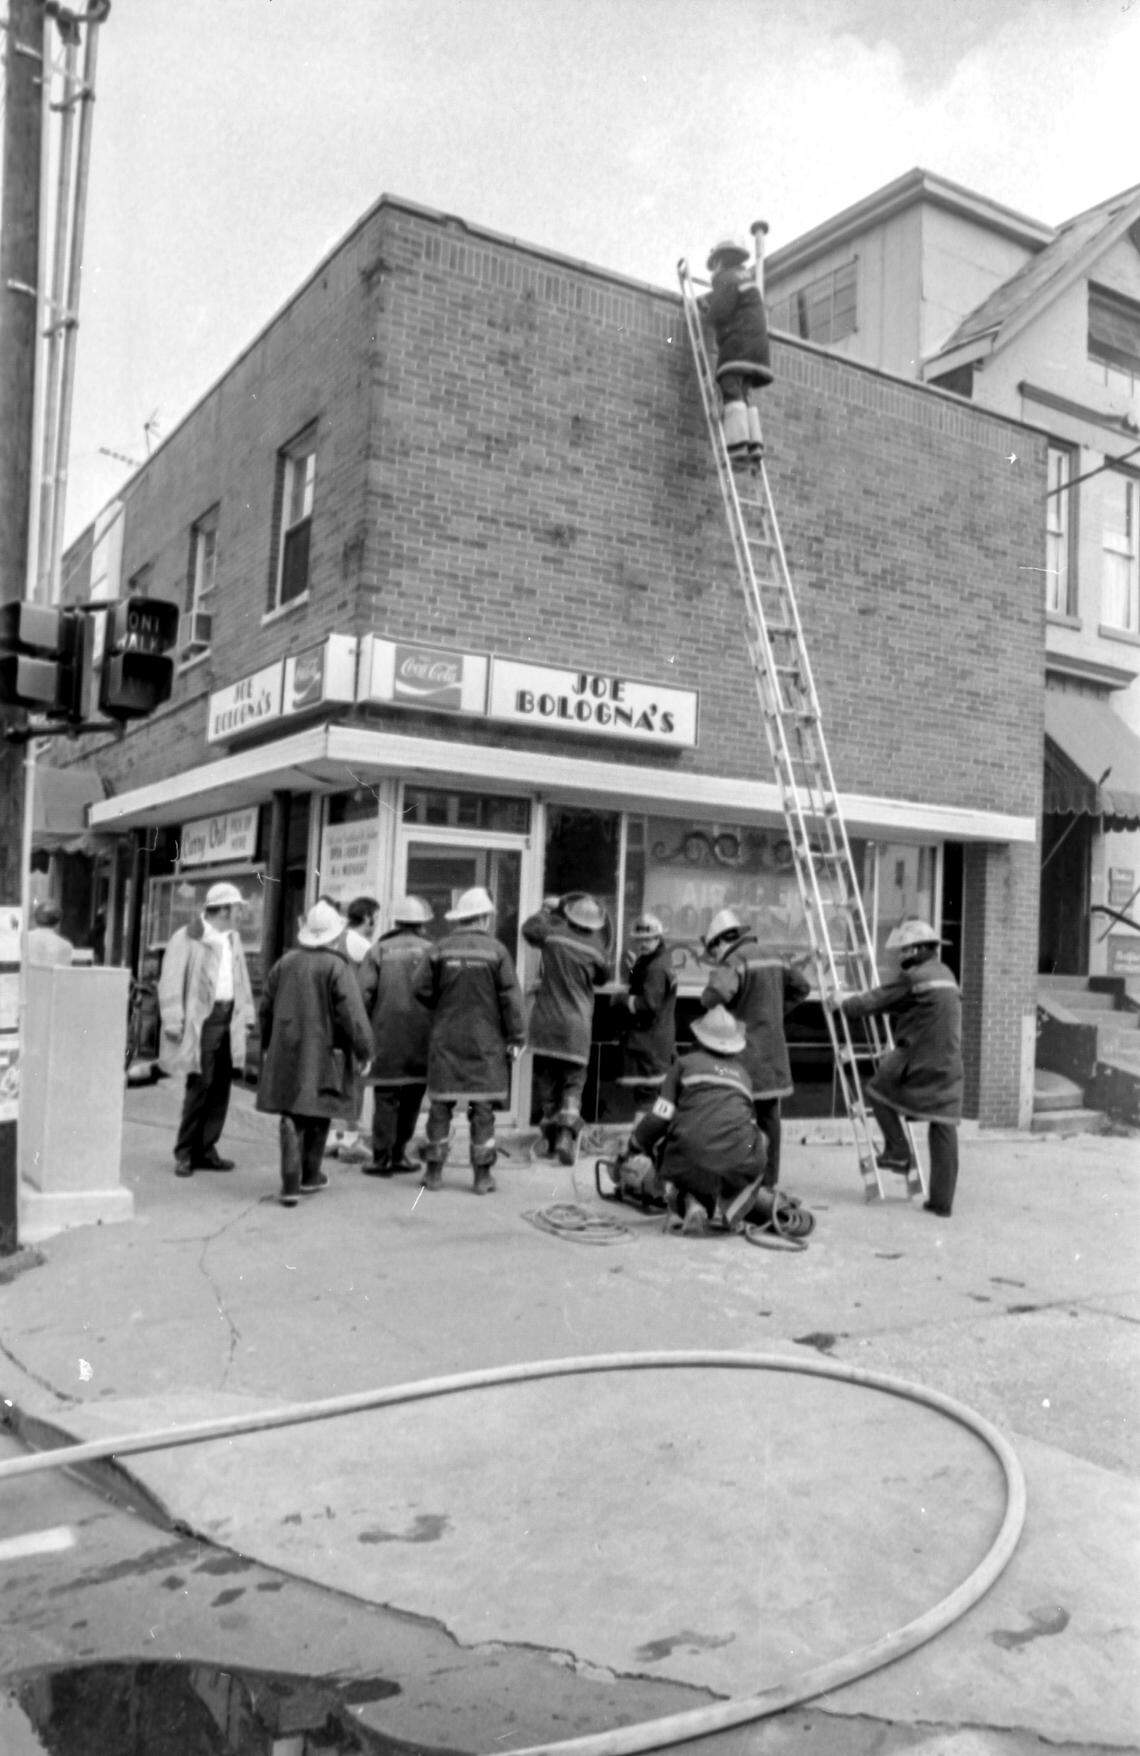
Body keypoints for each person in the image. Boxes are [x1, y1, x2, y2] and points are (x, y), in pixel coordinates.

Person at [834, 919, 963, 1218]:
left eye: (904, 950)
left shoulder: (913, 977)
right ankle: (942, 1203)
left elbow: (871, 1002)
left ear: (917, 949)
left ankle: (898, 1151)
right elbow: (919, 1006)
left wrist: (845, 1003)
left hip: (918, 1059)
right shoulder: (945, 973)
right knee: (943, 1126)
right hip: (951, 1063)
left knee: (877, 1092)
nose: (901, 956)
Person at [257, 899, 374, 1207]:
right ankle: (311, 1175)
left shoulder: (285, 962)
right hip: (326, 1051)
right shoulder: (337, 965)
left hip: (287, 1050)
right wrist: (365, 1051)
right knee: (320, 1108)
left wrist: (268, 1045)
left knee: (291, 1112)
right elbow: (352, 1014)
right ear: (335, 935)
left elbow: (265, 1008)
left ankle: (290, 1183)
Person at [413, 886, 527, 1194]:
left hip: (446, 1038)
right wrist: (517, 1036)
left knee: (440, 1105)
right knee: (484, 1107)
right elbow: (511, 1000)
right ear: (485, 918)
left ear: (460, 918)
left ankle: (434, 1174)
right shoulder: (498, 951)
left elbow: (420, 988)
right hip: (485, 1041)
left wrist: (442, 1006)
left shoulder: (439, 949)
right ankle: (481, 1177)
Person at [619, 1006, 765, 1236]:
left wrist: (634, 1145)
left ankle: (688, 1202)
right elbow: (750, 1126)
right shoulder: (744, 1076)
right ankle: (729, 1212)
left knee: (662, 1151)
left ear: (700, 1039)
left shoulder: (684, 1065)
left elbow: (659, 1117)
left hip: (688, 1152)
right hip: (738, 1158)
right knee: (760, 1143)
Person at [699, 906, 810, 1192]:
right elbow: (802, 987)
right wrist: (776, 1012)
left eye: (712, 952)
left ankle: (743, 1178)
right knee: (770, 1117)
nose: (714, 958)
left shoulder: (733, 962)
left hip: (744, 1055)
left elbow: (712, 998)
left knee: (738, 1116)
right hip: (774, 1054)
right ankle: (768, 1182)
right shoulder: (775, 955)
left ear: (720, 942)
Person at [158, 881, 255, 1179]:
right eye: (236, 907)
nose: (240, 912)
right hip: (202, 1020)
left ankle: (206, 1147)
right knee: (200, 1085)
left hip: (228, 1017)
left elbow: (241, 979)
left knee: (221, 1085)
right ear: (223, 909)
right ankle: (185, 1152)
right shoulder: (187, 937)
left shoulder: (232, 938)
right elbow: (171, 981)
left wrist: (246, 1014)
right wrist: (173, 1020)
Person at [521, 892, 609, 1164]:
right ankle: (566, 1137)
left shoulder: (553, 935)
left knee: (547, 1080)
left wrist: (548, 909)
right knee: (572, 1083)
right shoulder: (596, 948)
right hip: (576, 1026)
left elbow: (528, 930)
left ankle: (548, 1136)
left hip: (546, 1022)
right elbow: (603, 979)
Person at [359, 895, 433, 1176]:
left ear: (397, 922)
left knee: (386, 1096)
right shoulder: (432, 951)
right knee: (413, 1095)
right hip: (422, 1038)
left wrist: (362, 1037)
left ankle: (381, 1159)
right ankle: (400, 1154)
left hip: (386, 1036)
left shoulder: (378, 951)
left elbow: (363, 995)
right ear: (421, 924)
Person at [702, 236, 772, 468]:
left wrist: (707, 313)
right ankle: (754, 445)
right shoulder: (746, 278)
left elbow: (720, 311)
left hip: (738, 346)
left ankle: (737, 445)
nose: (714, 271)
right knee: (743, 393)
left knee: (729, 385)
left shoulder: (726, 278)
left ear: (721, 261)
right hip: (758, 351)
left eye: (715, 265)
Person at [326, 894, 381, 1164]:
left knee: (337, 1078)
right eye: (376, 917)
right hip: (354, 1017)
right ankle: (350, 1139)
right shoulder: (362, 945)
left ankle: (335, 1136)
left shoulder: (338, 938)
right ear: (368, 918)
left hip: (332, 1019)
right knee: (356, 1078)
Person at [614, 912, 677, 1123]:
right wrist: (633, 970)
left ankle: (642, 1144)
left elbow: (648, 1005)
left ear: (658, 938)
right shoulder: (656, 960)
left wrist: (623, 1000)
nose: (642, 944)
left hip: (649, 1044)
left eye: (647, 940)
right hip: (656, 1042)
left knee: (647, 1096)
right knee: (654, 1095)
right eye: (639, 940)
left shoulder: (656, 968)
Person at [25, 900, 74, 967]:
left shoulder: (24, 938)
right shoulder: (66, 946)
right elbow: (64, 973)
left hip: (26, 977)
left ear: (35, 918)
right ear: (58, 922)